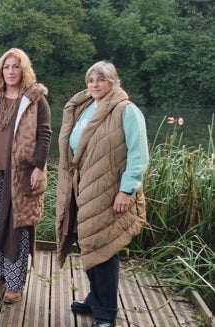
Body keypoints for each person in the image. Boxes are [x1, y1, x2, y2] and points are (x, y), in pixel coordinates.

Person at [56, 61, 148, 327]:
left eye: (100, 80)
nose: (94, 84)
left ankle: (106, 313)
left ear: (113, 82)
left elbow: (139, 155)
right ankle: (95, 298)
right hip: (85, 187)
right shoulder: (88, 107)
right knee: (90, 242)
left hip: (110, 192)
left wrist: (126, 190)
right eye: (91, 80)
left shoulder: (126, 111)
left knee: (105, 248)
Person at [0, 48, 52, 304]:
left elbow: (44, 134)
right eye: (6, 67)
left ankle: (15, 283)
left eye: (15, 67)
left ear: (23, 70)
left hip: (21, 173)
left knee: (17, 226)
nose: (10, 71)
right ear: (0, 70)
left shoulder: (35, 99)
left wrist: (39, 167)